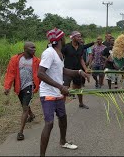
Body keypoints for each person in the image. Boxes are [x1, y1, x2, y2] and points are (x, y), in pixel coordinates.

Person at [37, 28, 90, 156]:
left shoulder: (58, 53)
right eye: (64, 37)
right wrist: (61, 87)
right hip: (48, 94)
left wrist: (78, 72)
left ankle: (63, 141)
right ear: (60, 39)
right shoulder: (49, 53)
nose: (65, 39)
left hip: (57, 93)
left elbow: (62, 70)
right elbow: (40, 73)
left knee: (63, 118)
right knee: (49, 123)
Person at [4, 41, 40, 141]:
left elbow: (41, 74)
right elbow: (10, 74)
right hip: (19, 87)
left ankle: (20, 132)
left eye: (35, 47)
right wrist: (7, 87)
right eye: (32, 48)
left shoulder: (37, 61)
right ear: (25, 49)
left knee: (24, 109)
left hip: (30, 86)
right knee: (25, 104)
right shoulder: (15, 59)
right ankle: (31, 115)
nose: (34, 49)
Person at [62, 31, 92, 109]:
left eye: (80, 36)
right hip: (67, 71)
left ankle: (81, 103)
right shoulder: (66, 47)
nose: (80, 38)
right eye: (78, 36)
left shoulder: (81, 47)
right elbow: (61, 57)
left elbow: (81, 59)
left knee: (78, 88)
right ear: (73, 37)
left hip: (78, 71)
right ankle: (61, 107)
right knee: (65, 89)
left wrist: (85, 69)